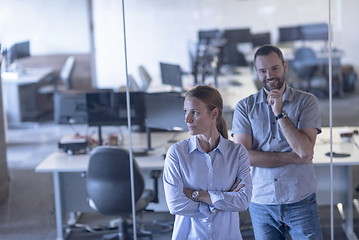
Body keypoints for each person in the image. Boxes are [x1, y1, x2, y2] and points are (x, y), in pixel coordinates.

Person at [232, 44, 322, 240]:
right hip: (261, 200)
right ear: (256, 72)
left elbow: (305, 151)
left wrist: (279, 113)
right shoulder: (244, 107)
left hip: (299, 197)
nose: (269, 75)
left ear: (285, 66)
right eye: (262, 71)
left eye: (274, 68)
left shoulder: (307, 101)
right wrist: (293, 157)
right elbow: (243, 156)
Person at [163, 85, 252, 240]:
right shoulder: (177, 153)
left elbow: (243, 202)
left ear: (214, 113)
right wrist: (220, 202)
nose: (187, 119)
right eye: (185, 111)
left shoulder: (237, 153)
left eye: (194, 113)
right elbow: (175, 204)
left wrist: (197, 195)